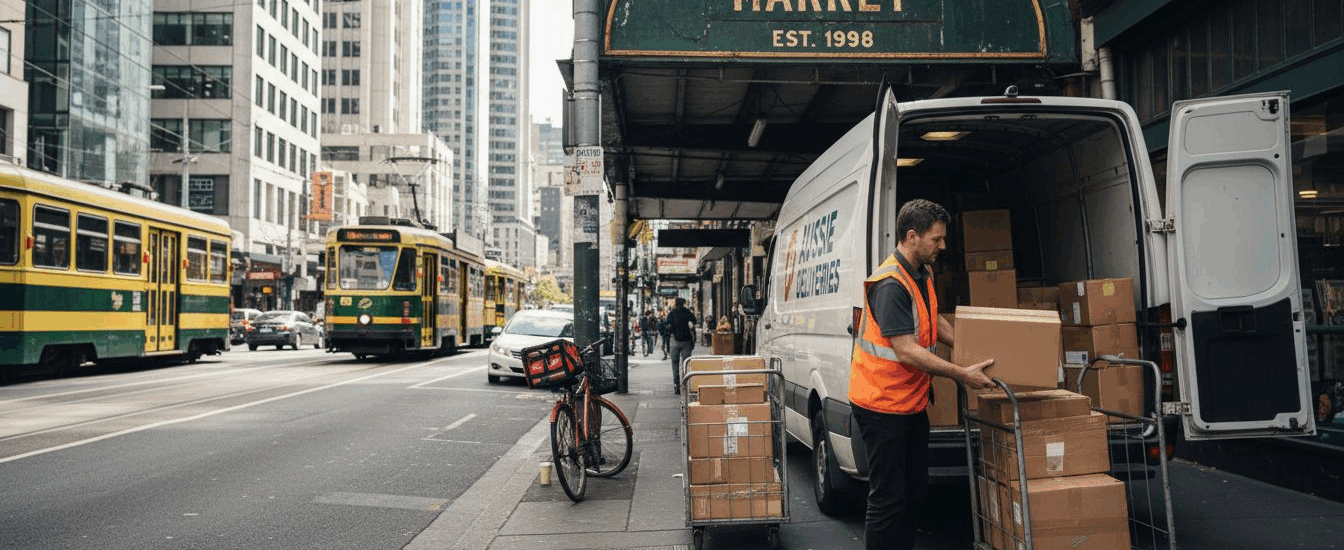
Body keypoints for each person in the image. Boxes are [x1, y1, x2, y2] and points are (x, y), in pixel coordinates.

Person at [848, 198, 996, 550]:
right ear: (912, 237)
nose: (943, 246)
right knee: (888, 498)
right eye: (937, 239)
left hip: (909, 403)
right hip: (881, 406)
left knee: (915, 491)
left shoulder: (922, 272)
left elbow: (933, 320)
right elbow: (907, 351)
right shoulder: (890, 285)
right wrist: (962, 373)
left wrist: (967, 346)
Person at [666, 297, 697, 394]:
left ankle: (676, 385)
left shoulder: (672, 313)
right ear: (683, 303)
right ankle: (685, 384)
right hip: (686, 341)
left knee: (675, 363)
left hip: (675, 341)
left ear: (675, 303)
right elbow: (694, 321)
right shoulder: (687, 312)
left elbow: (667, 325)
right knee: (686, 363)